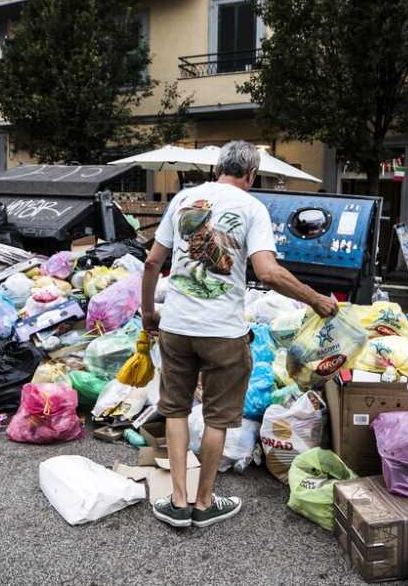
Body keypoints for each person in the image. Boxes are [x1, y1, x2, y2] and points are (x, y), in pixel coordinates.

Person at [140, 140, 339, 529]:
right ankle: (204, 502)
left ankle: (177, 501)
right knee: (217, 418)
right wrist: (315, 299)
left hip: (175, 326)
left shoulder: (183, 198)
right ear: (251, 174)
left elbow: (151, 262)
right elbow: (267, 272)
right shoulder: (252, 207)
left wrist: (149, 312)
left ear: (218, 167)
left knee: (176, 410)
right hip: (223, 334)